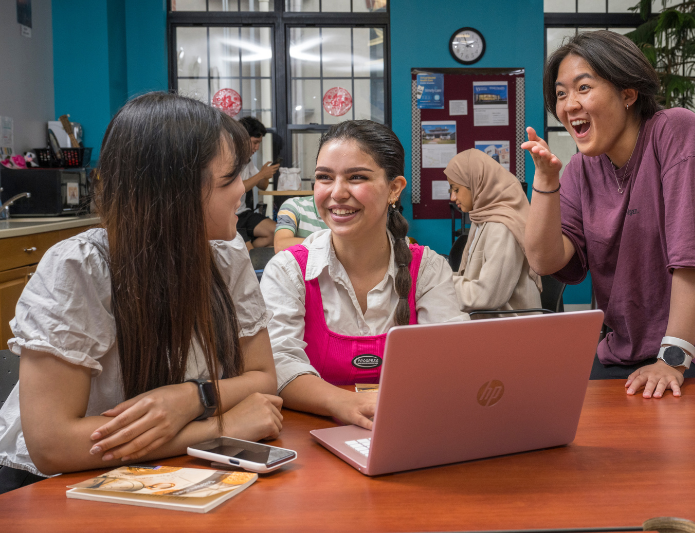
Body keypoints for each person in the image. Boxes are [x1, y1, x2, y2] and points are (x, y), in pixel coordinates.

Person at [0, 93, 283, 494]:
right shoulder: (79, 267)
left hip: (173, 475)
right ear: (174, 193)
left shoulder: (226, 252)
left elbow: (263, 378)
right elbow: (53, 445)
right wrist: (220, 425)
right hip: (62, 487)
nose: (242, 189)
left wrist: (191, 397)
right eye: (229, 179)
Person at [522, 31, 695, 399]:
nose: (569, 104)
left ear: (628, 93)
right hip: (627, 354)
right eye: (561, 93)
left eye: (583, 87)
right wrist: (545, 179)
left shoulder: (675, 131)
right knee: (547, 405)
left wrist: (672, 359)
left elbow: (694, 259)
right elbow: (543, 259)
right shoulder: (578, 170)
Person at [260, 120, 467, 430]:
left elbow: (450, 359)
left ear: (394, 189)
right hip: (310, 439)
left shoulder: (427, 268)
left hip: (407, 427)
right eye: (324, 178)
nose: (337, 192)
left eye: (356, 177)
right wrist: (345, 403)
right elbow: (279, 363)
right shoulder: (289, 269)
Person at [445, 149, 542, 318]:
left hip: (511, 332)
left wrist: (435, 285)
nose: (453, 197)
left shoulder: (502, 226)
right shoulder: (481, 218)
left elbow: (487, 295)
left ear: (476, 183)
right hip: (491, 324)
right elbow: (471, 278)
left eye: (456, 189)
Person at [236, 116, 281, 249]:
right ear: (242, 138)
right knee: (247, 250)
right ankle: (247, 253)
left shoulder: (248, 160)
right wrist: (261, 174)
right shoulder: (229, 159)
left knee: (276, 233)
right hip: (228, 216)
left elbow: (262, 186)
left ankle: (249, 254)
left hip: (243, 212)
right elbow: (235, 189)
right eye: (255, 142)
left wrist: (266, 175)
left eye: (259, 143)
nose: (257, 147)